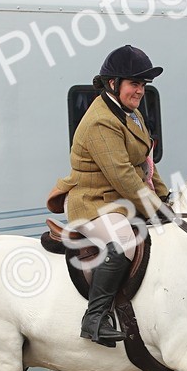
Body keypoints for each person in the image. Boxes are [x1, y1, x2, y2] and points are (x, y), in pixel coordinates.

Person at [51, 45, 170, 346]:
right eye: (134, 83)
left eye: (143, 85)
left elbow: (144, 163)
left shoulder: (130, 114)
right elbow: (123, 176)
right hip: (93, 203)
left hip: (118, 201)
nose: (140, 90)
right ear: (113, 84)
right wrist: (155, 208)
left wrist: (166, 198)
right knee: (124, 242)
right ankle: (95, 318)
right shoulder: (101, 121)